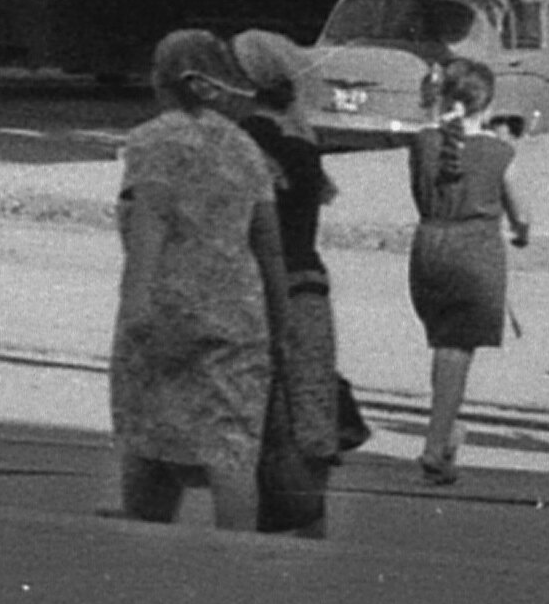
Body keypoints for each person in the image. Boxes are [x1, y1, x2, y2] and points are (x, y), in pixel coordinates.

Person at [108, 29, 289, 530]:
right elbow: (269, 245)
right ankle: (236, 559)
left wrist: (136, 303)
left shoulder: (151, 141)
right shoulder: (245, 149)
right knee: (230, 447)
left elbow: (151, 220)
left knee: (148, 440)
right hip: (237, 316)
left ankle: (144, 545)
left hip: (163, 310)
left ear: (166, 81)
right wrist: (281, 320)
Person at [223, 30, 379, 536]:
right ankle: (312, 523)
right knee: (309, 407)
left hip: (259, 286)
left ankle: (254, 527)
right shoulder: (302, 139)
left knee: (255, 411)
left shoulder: (245, 138)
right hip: (310, 283)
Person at [403, 53, 530, 487]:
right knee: (457, 351)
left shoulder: (422, 143)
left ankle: (448, 428)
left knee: (444, 344)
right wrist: (521, 231)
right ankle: (437, 445)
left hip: (428, 247)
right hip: (474, 251)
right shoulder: (499, 152)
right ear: (487, 105)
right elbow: (521, 213)